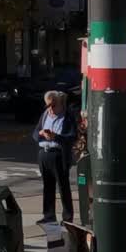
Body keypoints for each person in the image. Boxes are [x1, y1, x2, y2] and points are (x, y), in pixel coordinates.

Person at [34, 90, 77, 225]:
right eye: (48, 106)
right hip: (44, 153)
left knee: (63, 186)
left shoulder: (67, 117)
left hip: (59, 154)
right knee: (48, 186)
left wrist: (56, 137)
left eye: (53, 106)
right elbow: (35, 134)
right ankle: (49, 215)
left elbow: (72, 137)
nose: (50, 109)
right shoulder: (45, 115)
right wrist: (41, 133)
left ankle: (67, 217)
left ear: (61, 105)